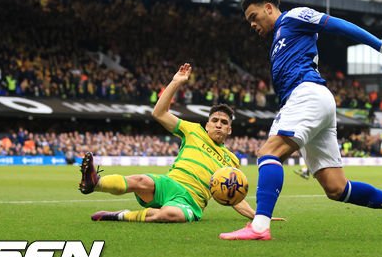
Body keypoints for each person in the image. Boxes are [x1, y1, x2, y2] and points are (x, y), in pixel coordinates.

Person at [220, 0, 382, 240]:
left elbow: (339, 25)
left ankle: (259, 227)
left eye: (254, 17)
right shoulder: (280, 38)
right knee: (336, 188)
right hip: (308, 100)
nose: (253, 24)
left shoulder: (293, 17)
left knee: (268, 153)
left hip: (307, 94)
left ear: (269, 7)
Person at [79, 63, 277, 223]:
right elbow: (158, 113)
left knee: (168, 215)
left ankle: (119, 215)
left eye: (224, 122)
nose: (218, 125)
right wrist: (176, 82)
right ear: (207, 125)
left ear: (229, 130)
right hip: (169, 183)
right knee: (140, 180)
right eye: (215, 121)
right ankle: (95, 183)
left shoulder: (231, 160)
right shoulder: (192, 130)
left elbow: (233, 195)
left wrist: (256, 215)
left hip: (190, 200)